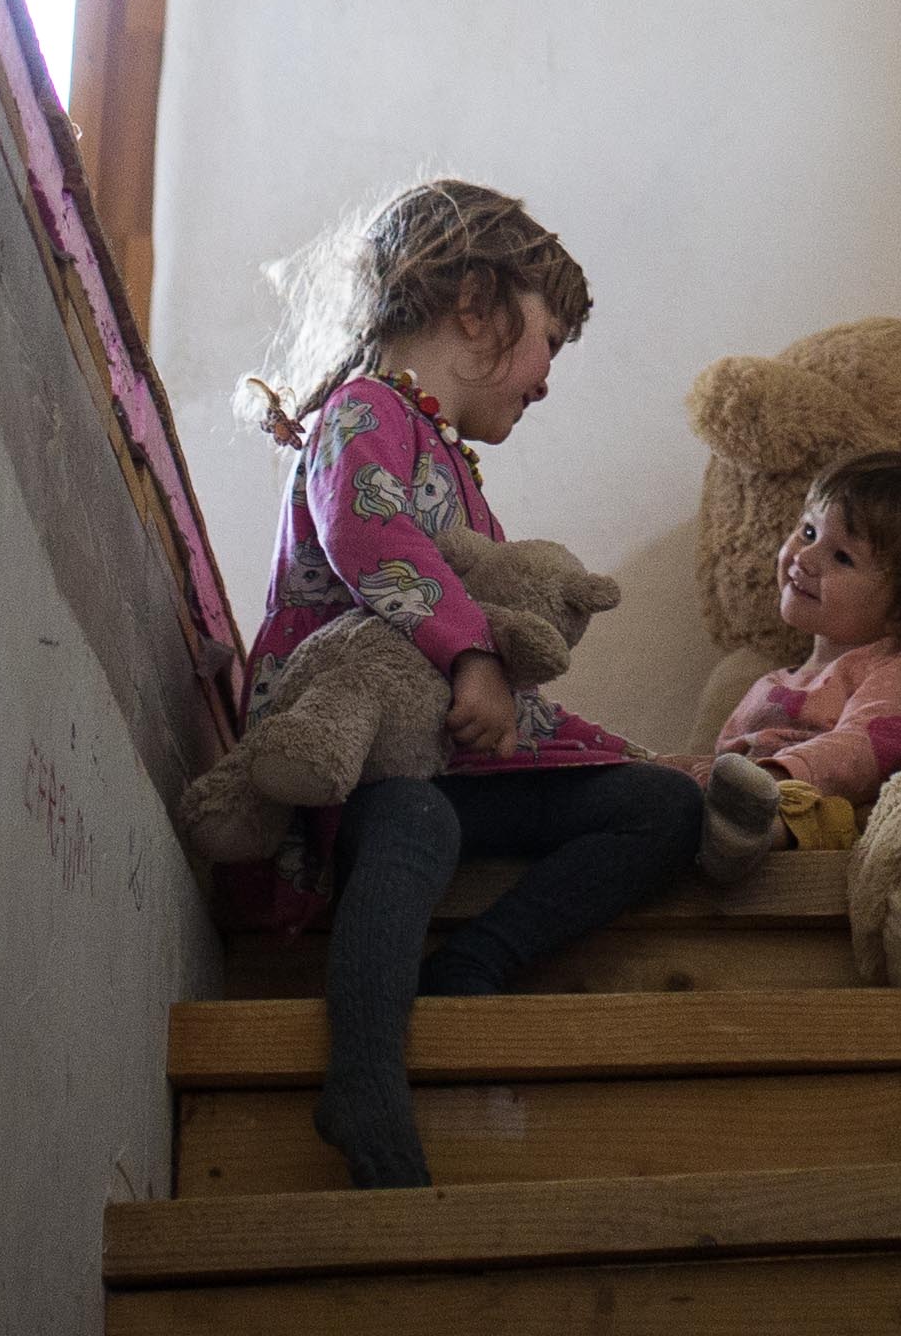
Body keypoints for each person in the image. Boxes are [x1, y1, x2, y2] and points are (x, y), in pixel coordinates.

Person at [237, 177, 704, 1191]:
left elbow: (502, 682)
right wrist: (470, 653)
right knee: (415, 824)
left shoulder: (457, 477)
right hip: (356, 760)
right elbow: (369, 533)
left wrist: (626, 756)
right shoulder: (359, 414)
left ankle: (471, 964)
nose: (548, 379)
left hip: (448, 759)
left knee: (661, 808)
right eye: (549, 343)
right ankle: (364, 1076)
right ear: (476, 306)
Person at [699, 447, 901, 870]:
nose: (805, 558)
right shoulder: (771, 682)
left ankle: (737, 837)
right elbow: (722, 763)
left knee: (824, 816)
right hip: (737, 801)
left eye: (843, 557)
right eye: (808, 532)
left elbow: (863, 751)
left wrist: (777, 776)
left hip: (812, 818)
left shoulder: (897, 672)